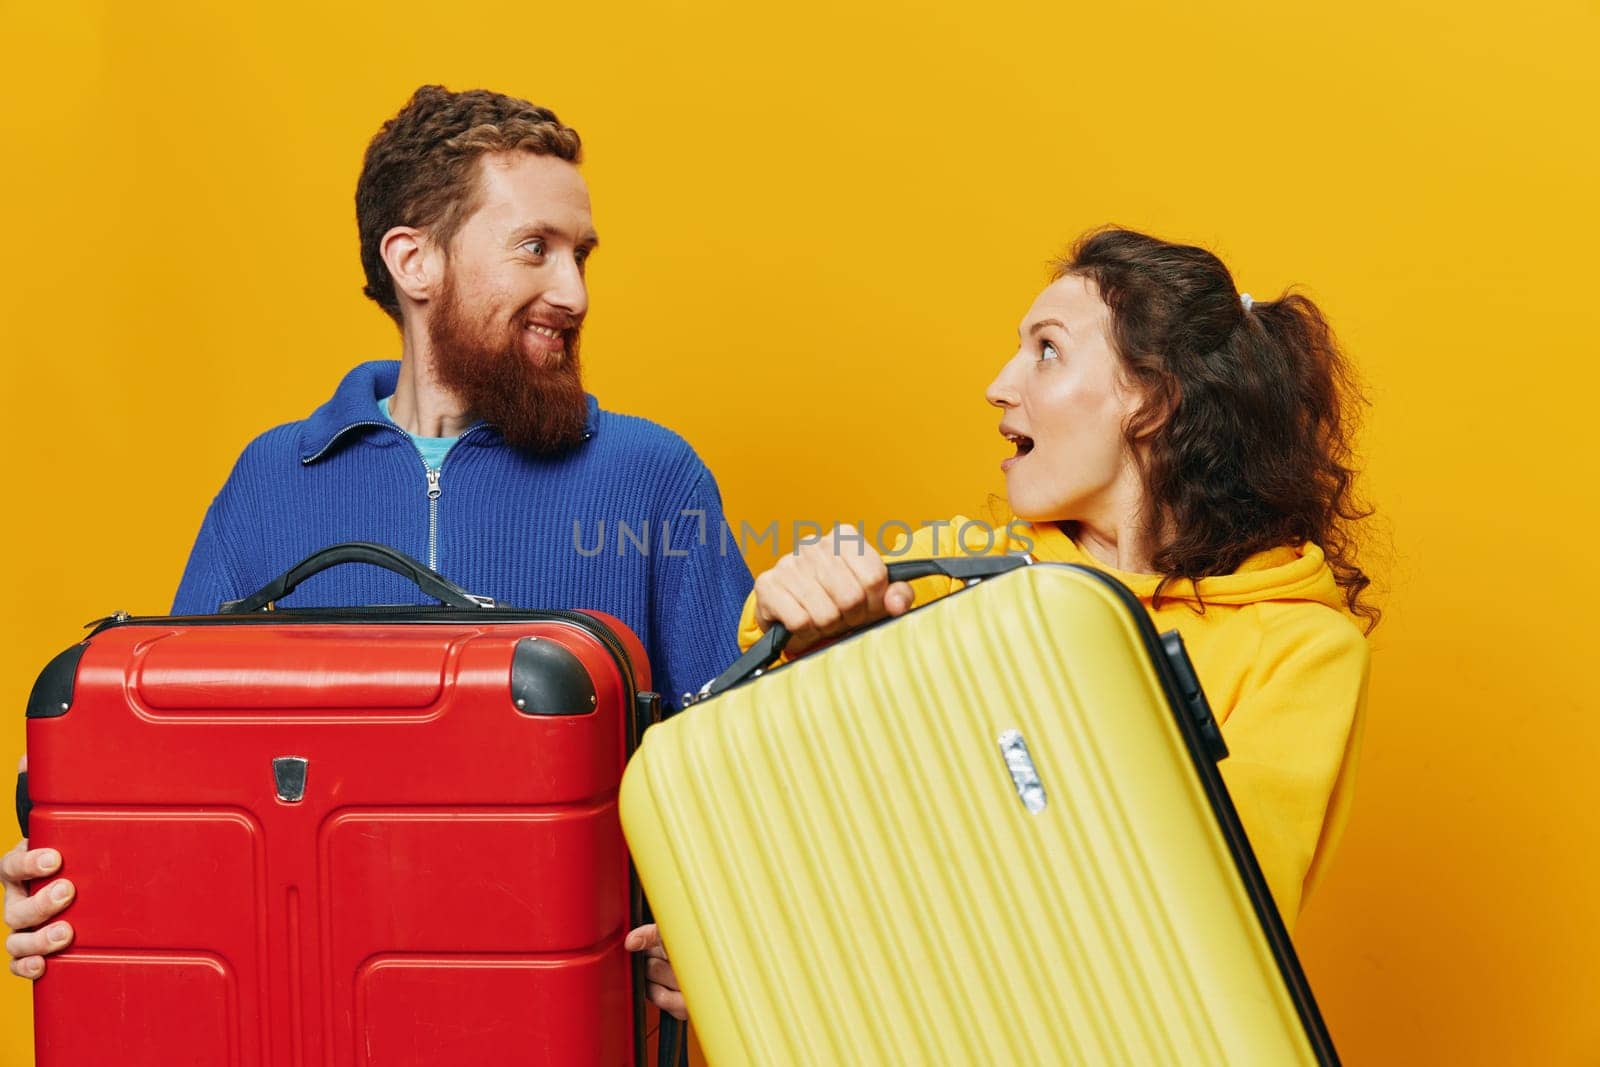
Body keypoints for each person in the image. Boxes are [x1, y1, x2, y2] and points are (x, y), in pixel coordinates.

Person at [3, 85, 754, 983]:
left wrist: (715, 930)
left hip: (561, 1012)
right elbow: (177, 781)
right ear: (415, 261)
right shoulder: (271, 482)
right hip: (320, 1009)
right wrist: (55, 883)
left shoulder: (653, 477)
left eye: (581, 254)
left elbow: (742, 780)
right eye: (535, 249)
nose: (574, 291)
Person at [630, 226, 1377, 1021]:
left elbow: (1184, 912)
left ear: (1153, 400)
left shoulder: (1300, 647)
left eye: (1046, 350)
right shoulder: (953, 568)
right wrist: (804, 634)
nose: (998, 383)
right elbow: (782, 811)